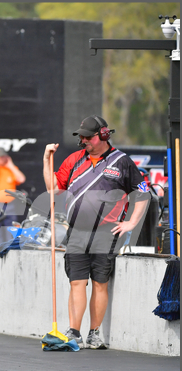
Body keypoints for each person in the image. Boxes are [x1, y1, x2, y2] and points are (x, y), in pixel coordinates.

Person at [43, 115, 150, 349]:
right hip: (76, 231)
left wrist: (131, 223)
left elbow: (143, 193)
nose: (83, 141)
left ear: (103, 135)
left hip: (106, 233)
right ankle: (74, 332)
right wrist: (46, 159)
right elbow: (53, 189)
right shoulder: (74, 159)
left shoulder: (122, 162)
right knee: (76, 282)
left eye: (88, 137)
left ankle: (94, 333)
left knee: (100, 283)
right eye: (81, 137)